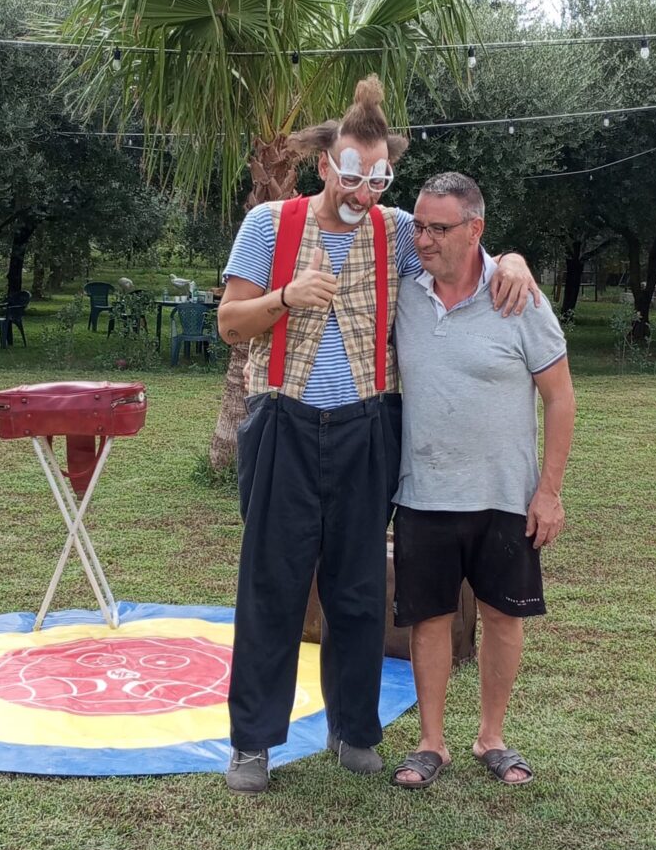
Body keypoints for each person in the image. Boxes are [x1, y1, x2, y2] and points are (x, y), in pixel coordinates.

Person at [216, 77, 538, 794]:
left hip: (368, 425)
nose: (364, 192)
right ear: (327, 164)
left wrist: (512, 261)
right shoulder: (270, 225)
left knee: (359, 587)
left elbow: (465, 254)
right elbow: (230, 324)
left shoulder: (397, 230)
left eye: (378, 178)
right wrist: (284, 297)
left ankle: (354, 729)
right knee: (271, 584)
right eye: (352, 175)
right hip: (283, 422)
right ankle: (252, 744)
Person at [390, 171, 576, 790]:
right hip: (423, 491)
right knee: (429, 618)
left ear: (476, 230)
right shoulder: (404, 292)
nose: (423, 239)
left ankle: (491, 737)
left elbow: (560, 398)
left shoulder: (520, 299)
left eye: (439, 228)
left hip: (505, 495)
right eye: (418, 225)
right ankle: (431, 743)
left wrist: (548, 491)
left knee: (503, 617)